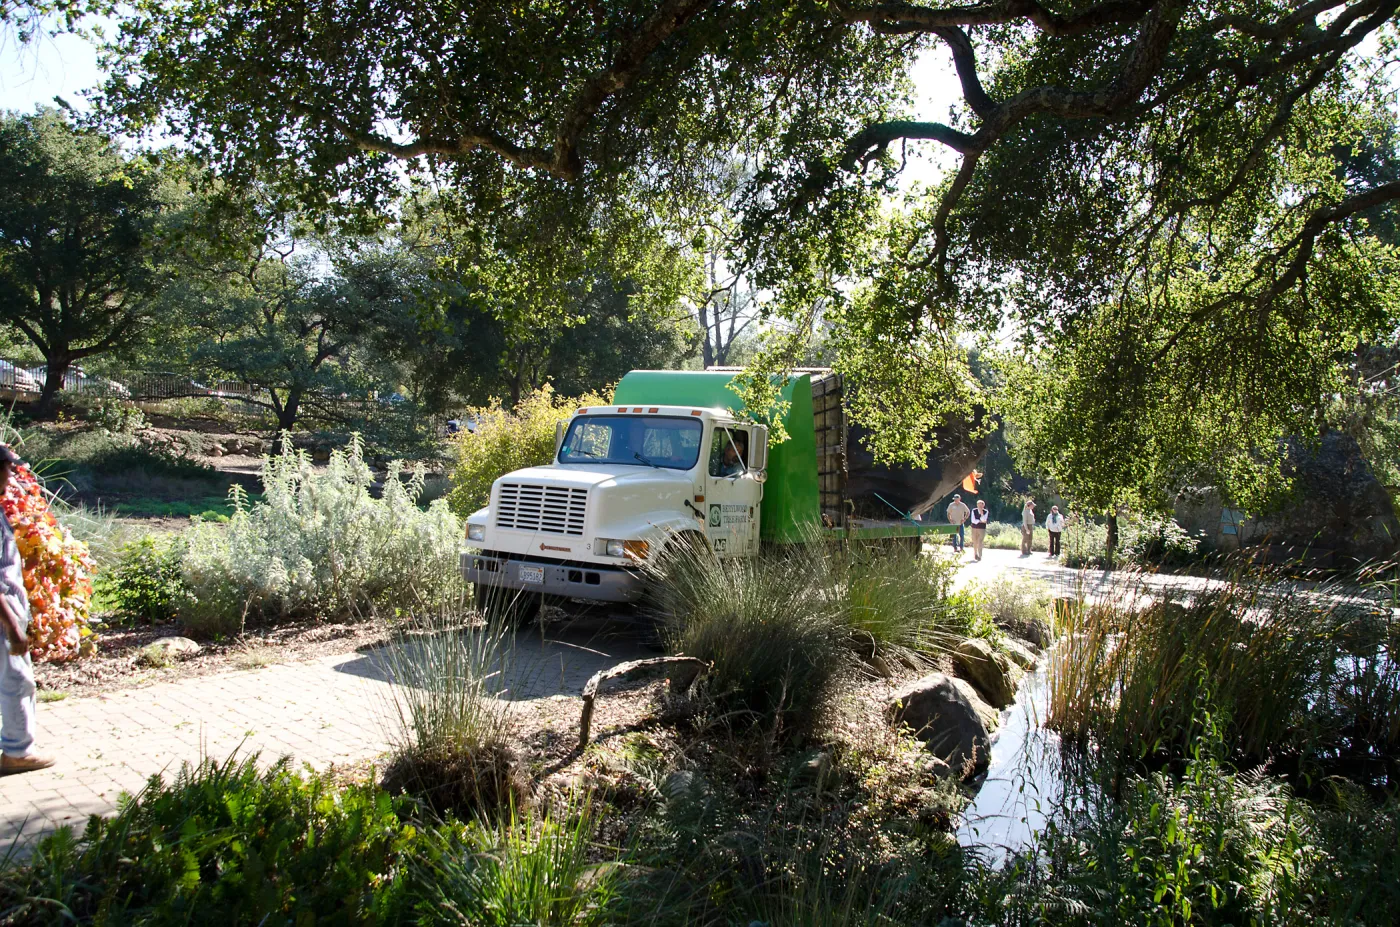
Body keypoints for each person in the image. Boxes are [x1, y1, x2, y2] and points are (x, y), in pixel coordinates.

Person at [0, 445, 53, 776]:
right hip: (3, 617)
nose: (10, 479)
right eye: (5, 473)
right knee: (17, 681)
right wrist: (13, 627)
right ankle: (18, 751)